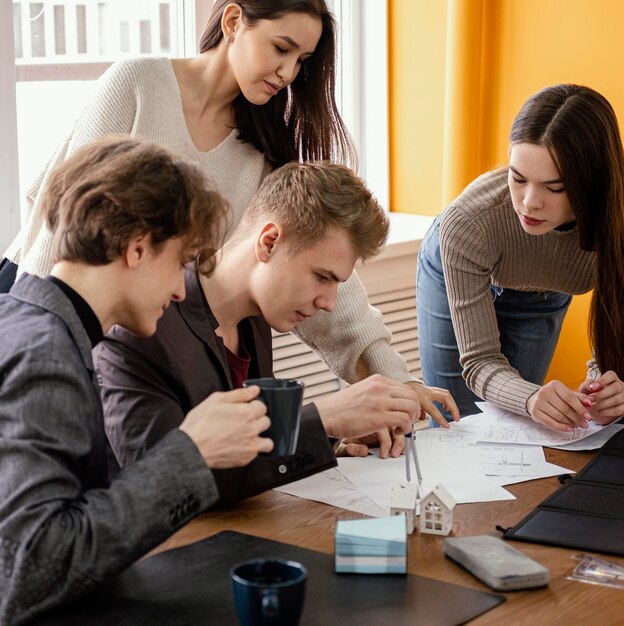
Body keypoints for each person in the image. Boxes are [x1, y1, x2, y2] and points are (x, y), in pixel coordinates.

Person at [1, 0, 458, 443]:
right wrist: (40, 346)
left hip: (126, 333)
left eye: (302, 59)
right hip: (40, 302)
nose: (289, 72)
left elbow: (325, 270)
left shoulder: (261, 145)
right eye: (281, 48)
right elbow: (61, 228)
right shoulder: (140, 81)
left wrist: (398, 381)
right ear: (234, 20)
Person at [95, 161, 427, 496]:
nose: (329, 302)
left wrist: (326, 439)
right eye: (322, 277)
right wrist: (323, 417)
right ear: (268, 242)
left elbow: (242, 454)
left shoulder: (255, 318)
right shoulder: (142, 328)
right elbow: (161, 485)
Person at [416, 83, 624, 432]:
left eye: (554, 187)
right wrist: (529, 397)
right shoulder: (470, 223)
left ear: (592, 182)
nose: (528, 203)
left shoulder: (616, 217)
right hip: (456, 266)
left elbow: (613, 330)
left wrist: (605, 387)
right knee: (460, 423)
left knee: (512, 427)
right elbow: (480, 361)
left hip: (545, 289)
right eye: (518, 178)